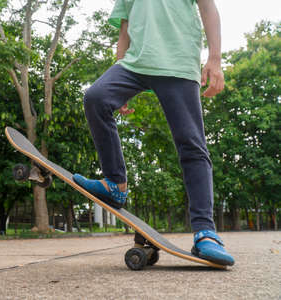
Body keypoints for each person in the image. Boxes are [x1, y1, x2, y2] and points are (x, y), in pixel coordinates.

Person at [73, 0, 234, 265]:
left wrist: (215, 59)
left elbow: (208, 9)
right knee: (96, 98)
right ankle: (115, 184)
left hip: (178, 64)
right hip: (134, 64)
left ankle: (206, 232)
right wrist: (119, 74)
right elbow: (124, 28)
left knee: (191, 144)